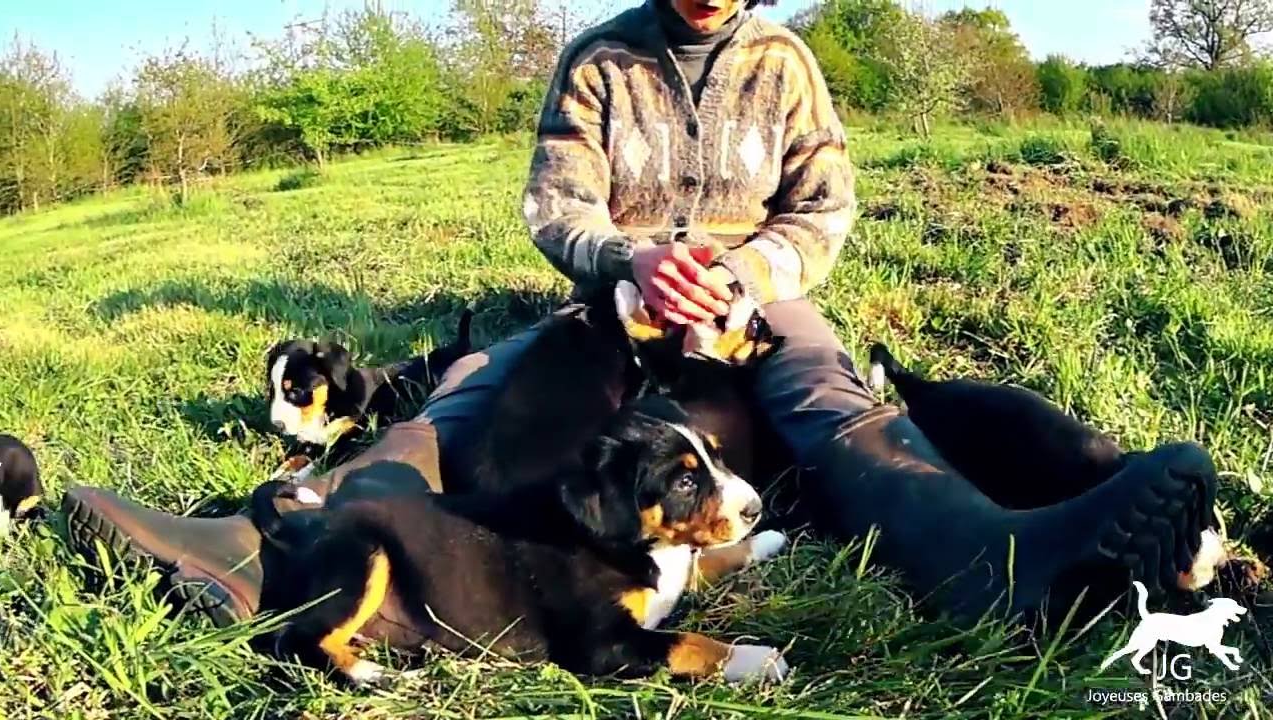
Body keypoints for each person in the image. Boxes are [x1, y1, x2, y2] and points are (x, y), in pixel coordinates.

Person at [62, 0, 1215, 631]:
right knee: (478, 385)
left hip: (758, 304)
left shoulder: (786, 65)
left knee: (825, 387)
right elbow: (553, 204)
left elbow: (824, 207)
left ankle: (984, 557)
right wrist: (629, 260)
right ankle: (275, 542)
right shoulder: (597, 60)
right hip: (617, 302)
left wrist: (750, 271)